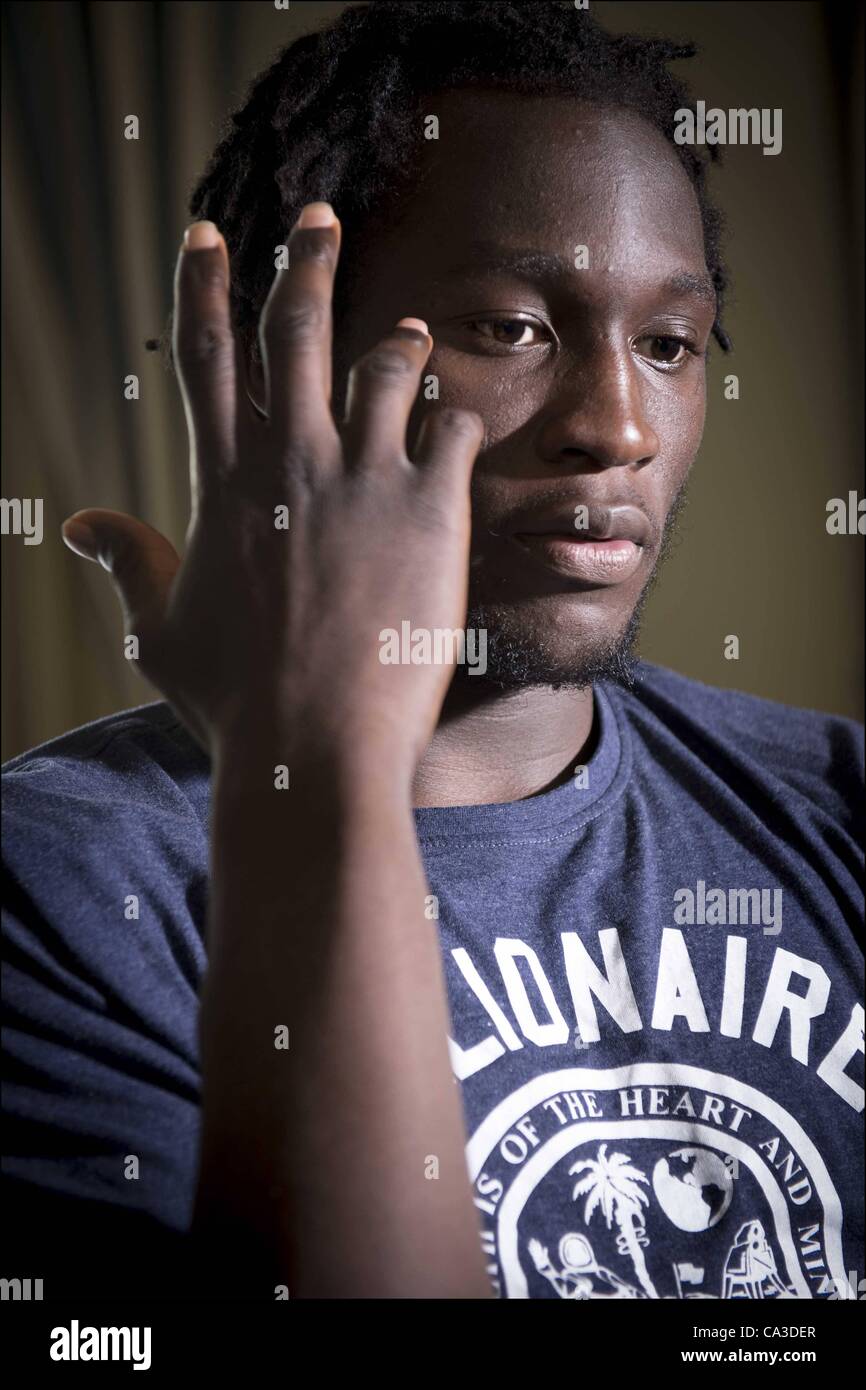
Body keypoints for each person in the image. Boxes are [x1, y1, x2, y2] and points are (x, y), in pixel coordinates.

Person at [2, 0, 862, 1301]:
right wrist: (324, 753)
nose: (616, 425)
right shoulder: (59, 881)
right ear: (258, 357)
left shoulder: (832, 799)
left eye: (669, 345)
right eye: (509, 328)